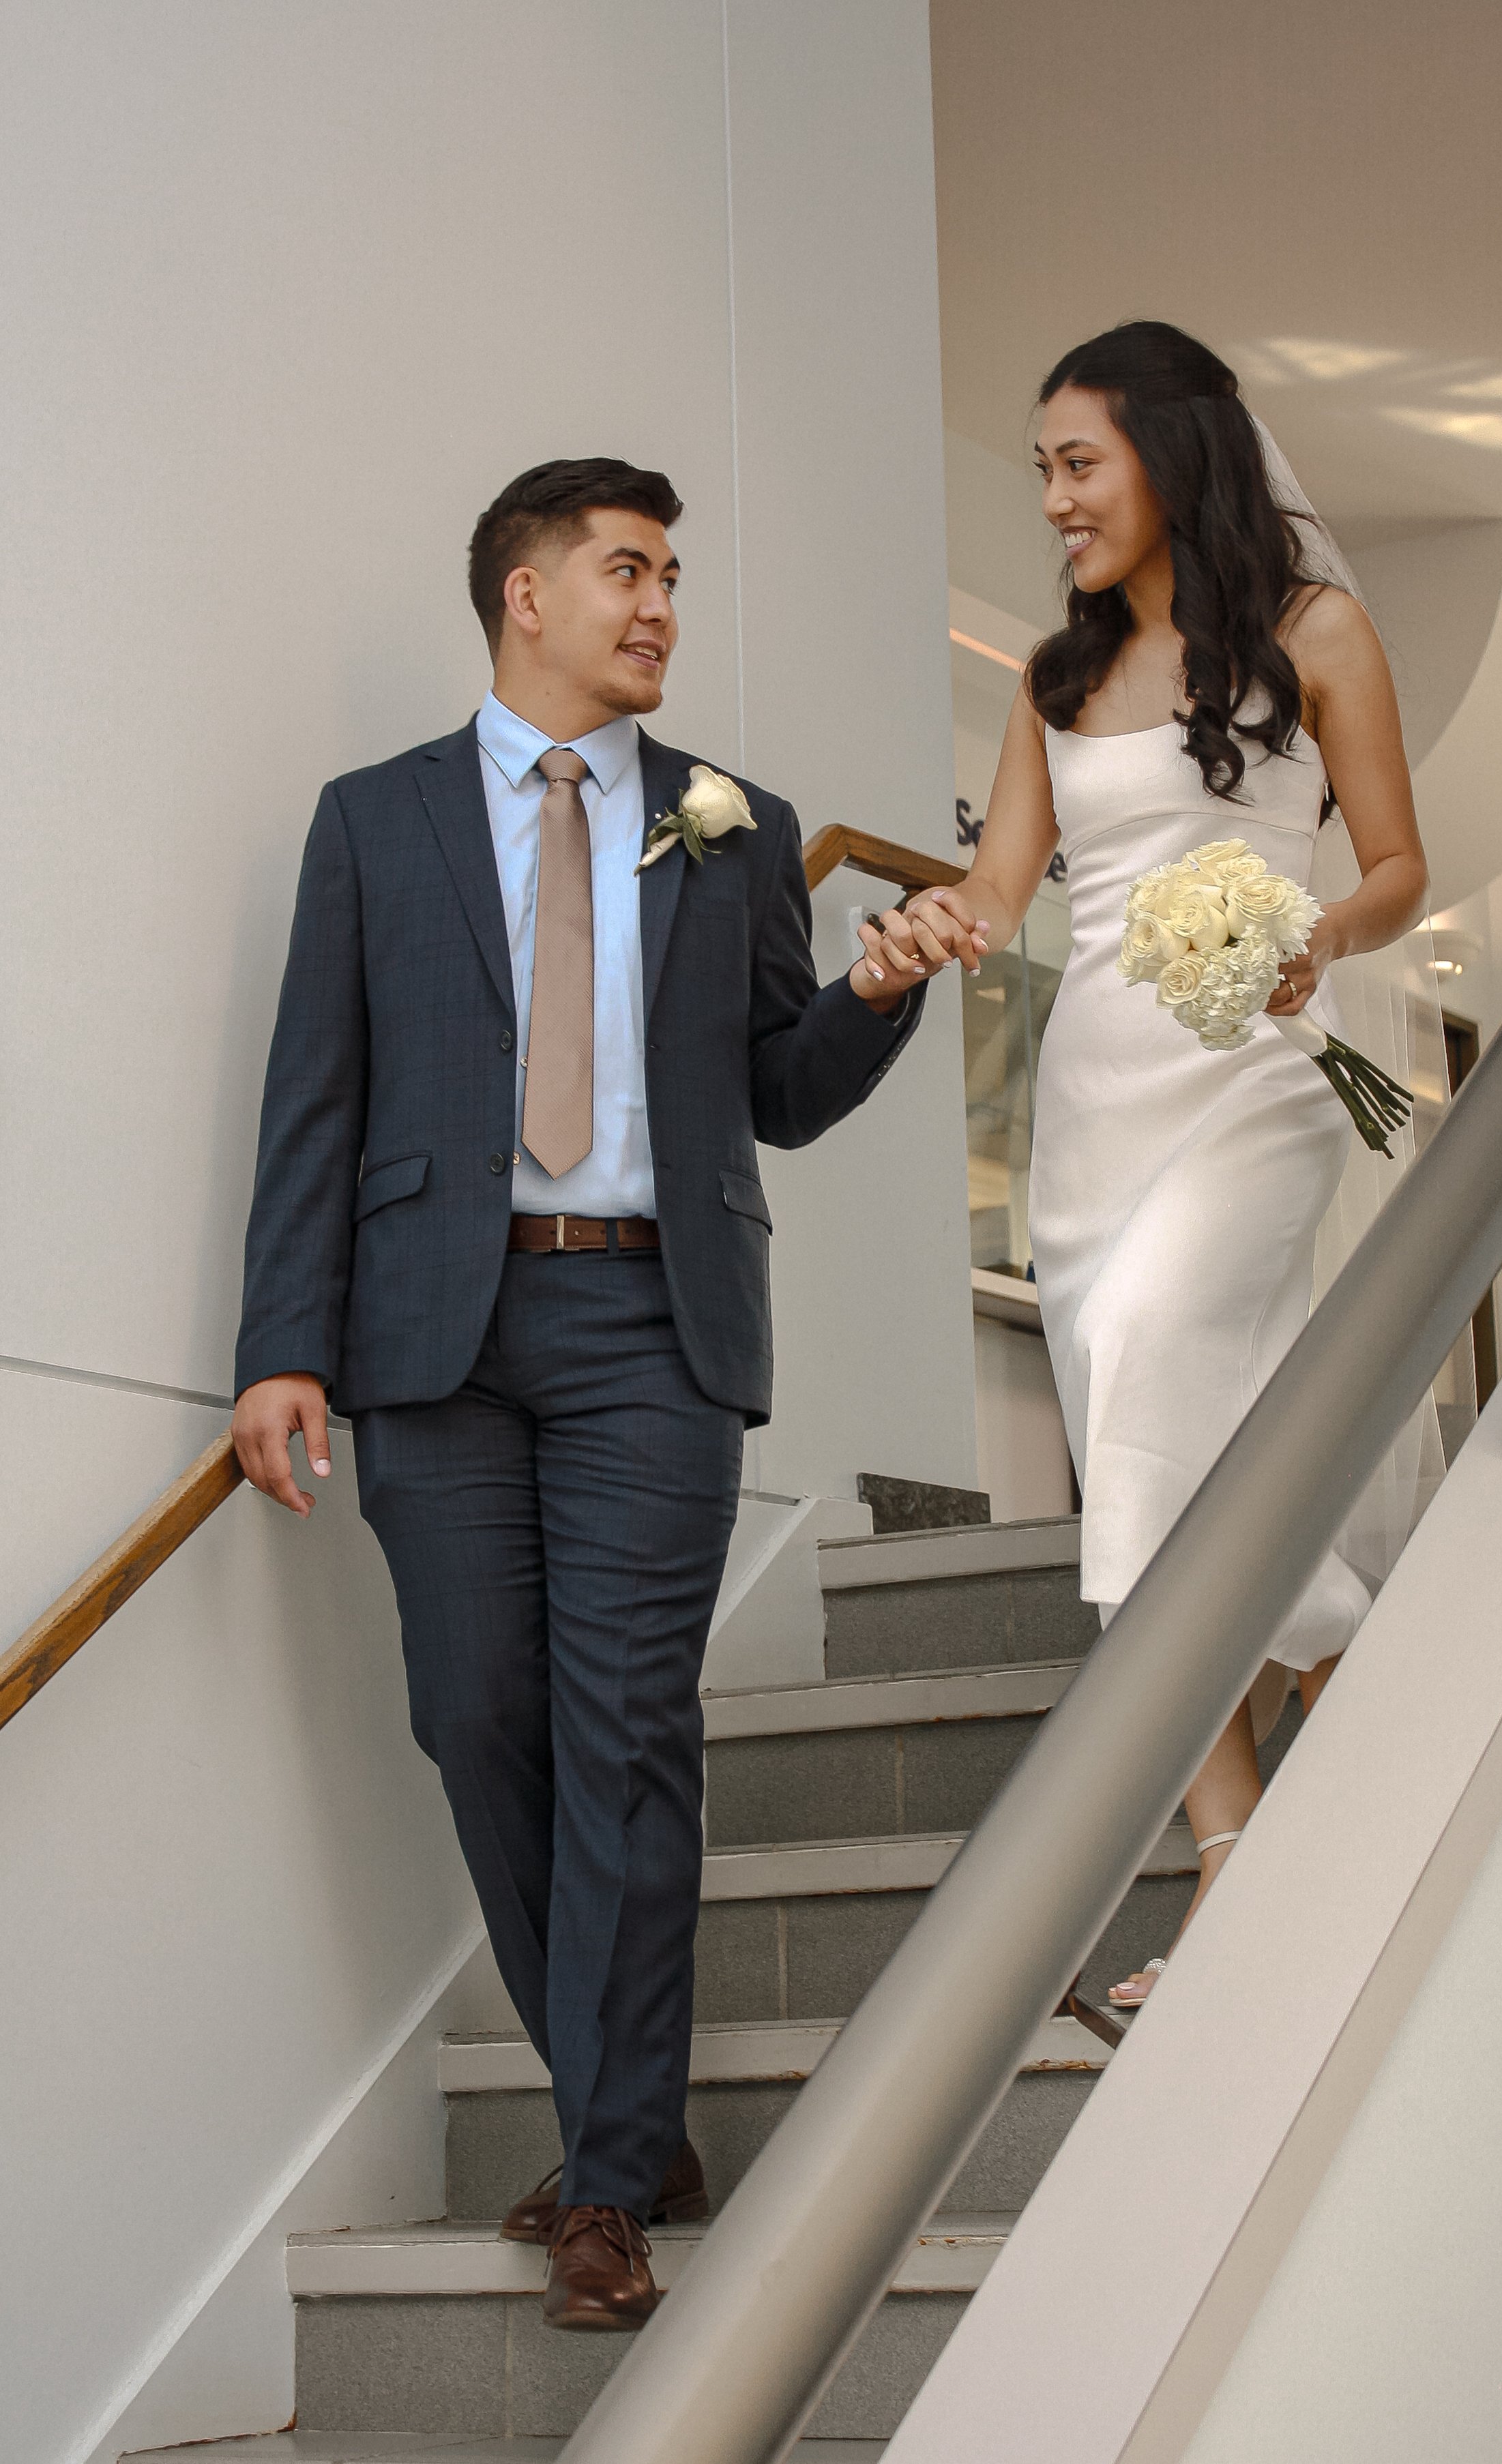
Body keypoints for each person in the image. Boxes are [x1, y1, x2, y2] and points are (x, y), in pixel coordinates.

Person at [231, 457, 977, 2326]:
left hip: (655, 1326)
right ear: (524, 597)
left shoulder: (735, 829)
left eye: (668, 575)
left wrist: (877, 989)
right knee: (477, 1716)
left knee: (627, 1724)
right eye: (624, 571)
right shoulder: (375, 821)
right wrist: (280, 1341)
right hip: (434, 1343)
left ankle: (605, 2185)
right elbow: (315, 1095)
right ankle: (623, 2120)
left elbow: (780, 1094)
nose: (657, 606)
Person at [904, 325, 1429, 2012]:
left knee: (1140, 1387)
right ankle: (1247, 1830)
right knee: (1155, 1441)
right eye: (1040, 467)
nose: (1049, 498)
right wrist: (936, 925)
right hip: (1093, 1108)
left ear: (1170, 454)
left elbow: (1399, 864)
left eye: (1076, 461)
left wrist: (1315, 933)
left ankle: (1291, 1773)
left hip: (1259, 1079)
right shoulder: (1049, 680)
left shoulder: (1316, 634)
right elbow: (999, 895)